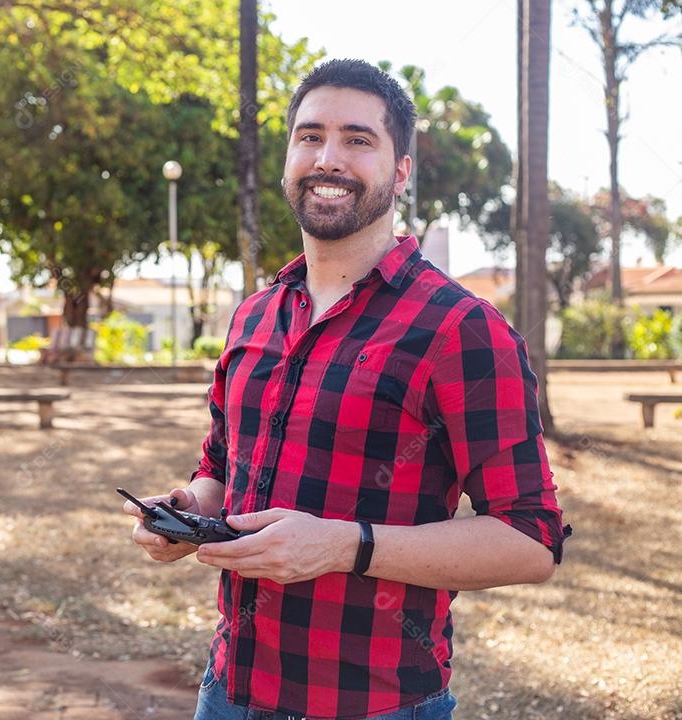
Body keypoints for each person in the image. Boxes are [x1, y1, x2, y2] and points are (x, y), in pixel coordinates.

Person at [123, 59, 572, 720]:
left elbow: (533, 540)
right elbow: (222, 471)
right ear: (287, 158)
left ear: (400, 171)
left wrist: (345, 544)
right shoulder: (254, 315)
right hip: (229, 693)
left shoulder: (460, 329)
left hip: (378, 705)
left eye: (358, 140)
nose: (328, 157)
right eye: (310, 136)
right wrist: (187, 509)